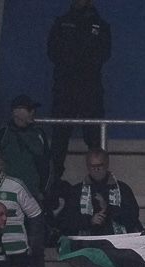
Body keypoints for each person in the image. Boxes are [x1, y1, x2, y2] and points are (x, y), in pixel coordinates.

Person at [46, 0, 112, 179]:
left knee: (94, 137)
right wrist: (72, 63)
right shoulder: (61, 23)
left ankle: (100, 181)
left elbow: (103, 54)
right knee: (59, 137)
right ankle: (53, 184)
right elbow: (52, 51)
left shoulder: (101, 25)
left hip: (90, 89)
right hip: (64, 88)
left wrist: (80, 63)